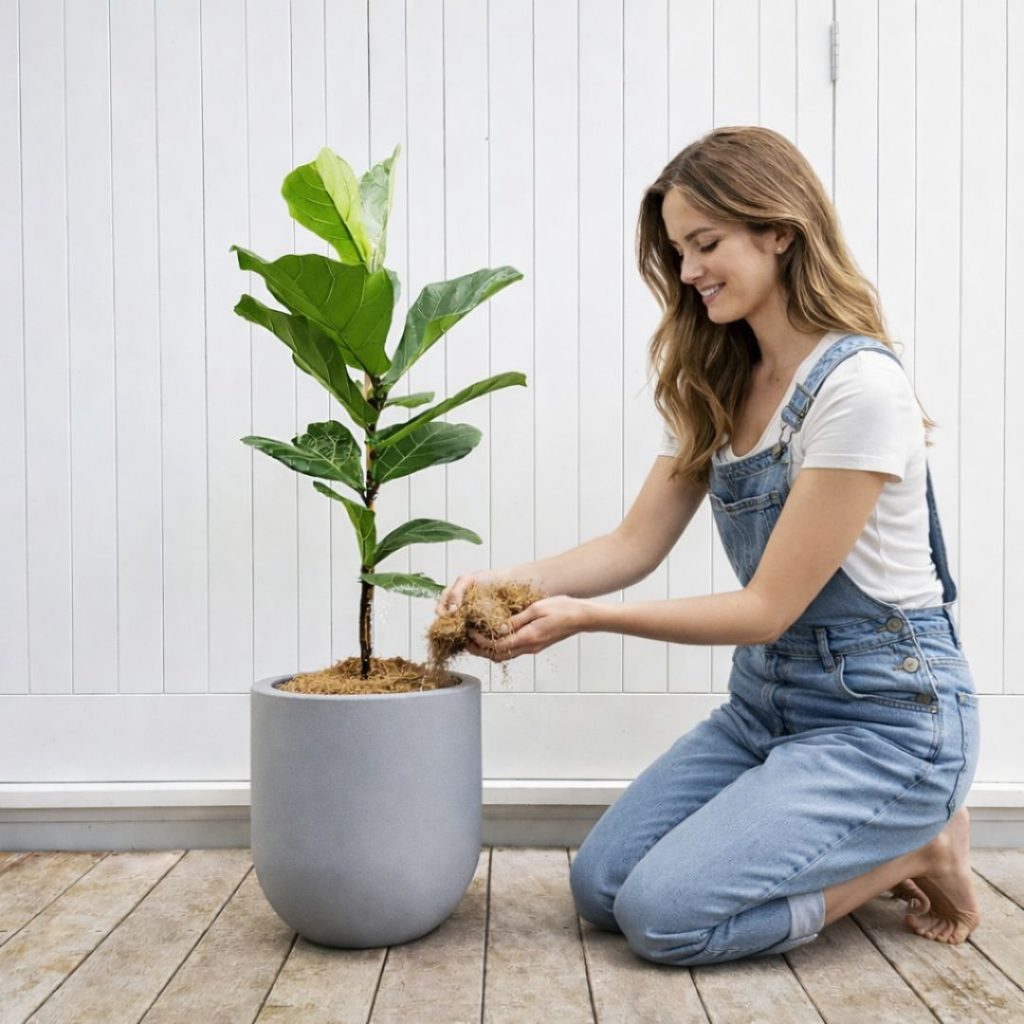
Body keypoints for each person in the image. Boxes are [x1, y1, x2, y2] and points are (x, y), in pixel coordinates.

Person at [433, 125, 981, 967]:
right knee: (602, 889)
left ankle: (916, 849)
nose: (687, 273)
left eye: (705, 244)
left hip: (887, 724)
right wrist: (506, 579)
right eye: (679, 251)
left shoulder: (859, 388)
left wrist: (584, 619)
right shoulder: (719, 379)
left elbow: (766, 610)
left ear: (780, 233)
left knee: (665, 919)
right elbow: (633, 542)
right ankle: (882, 840)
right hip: (766, 708)